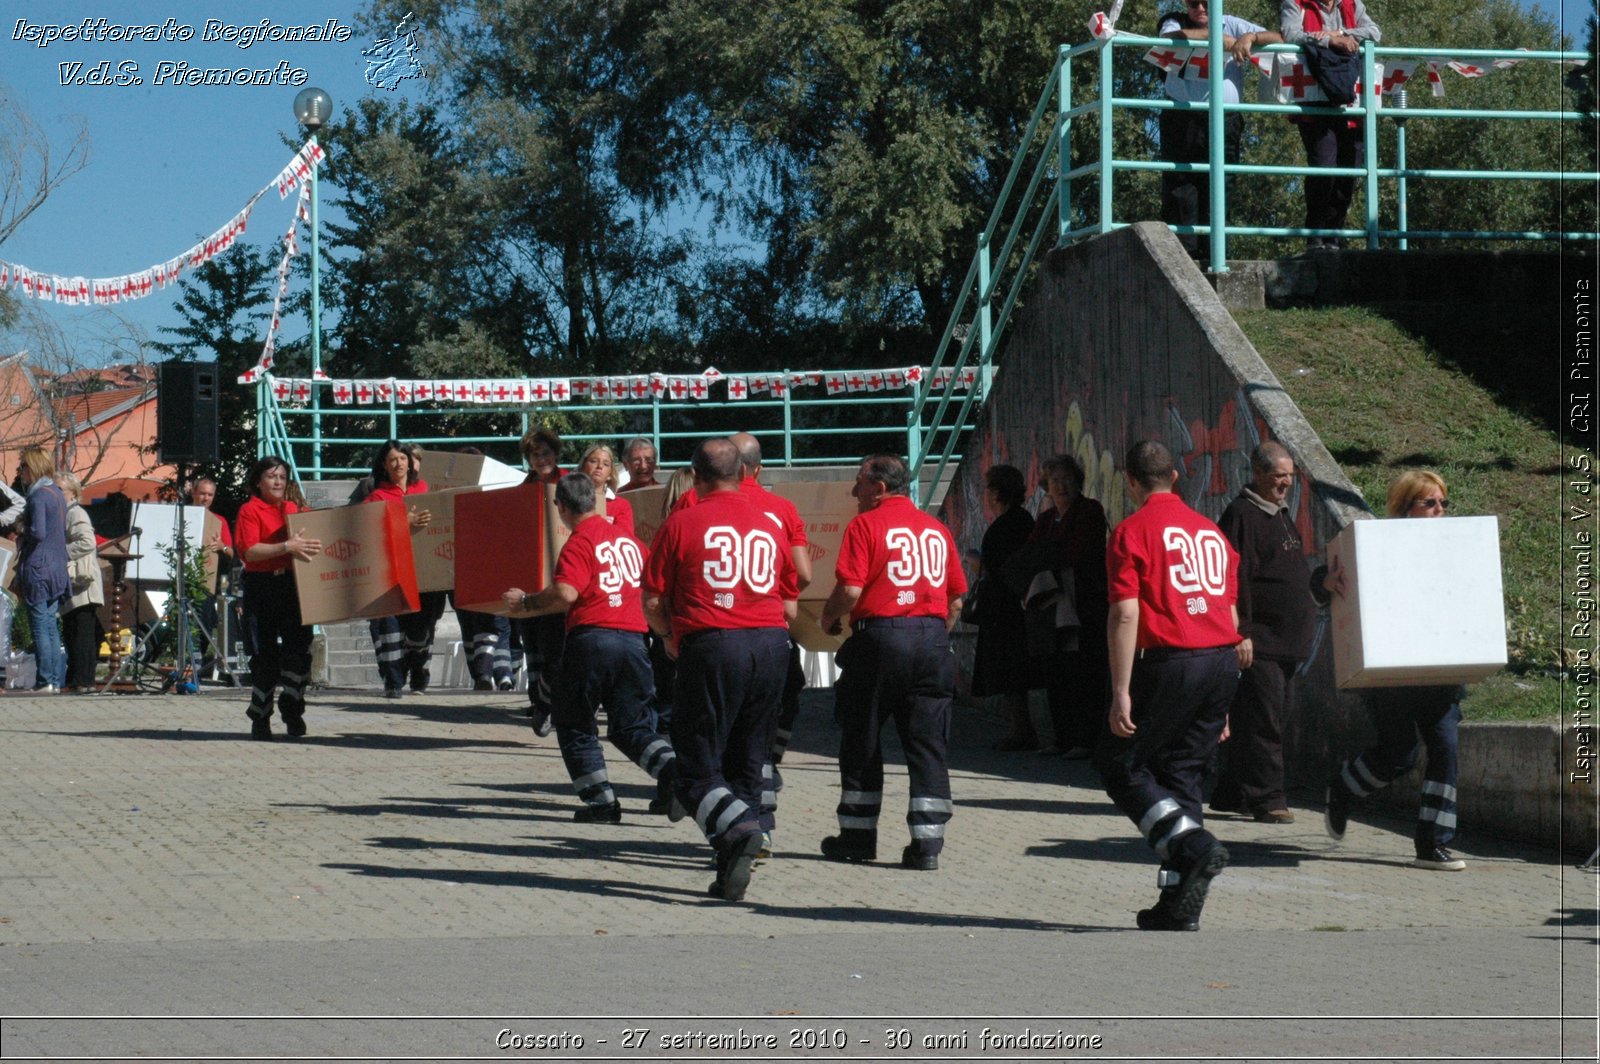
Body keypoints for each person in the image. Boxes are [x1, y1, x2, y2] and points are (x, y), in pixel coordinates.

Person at [1099, 440, 1246, 931]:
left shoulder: (1131, 531)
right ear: (1176, 477)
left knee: (1122, 764)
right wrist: (1219, 702)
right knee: (1182, 773)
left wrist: (1121, 690)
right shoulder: (1211, 533)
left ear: (1131, 481)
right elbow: (1227, 608)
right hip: (1221, 659)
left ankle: (1191, 847)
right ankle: (1179, 904)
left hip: (1170, 659)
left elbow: (1124, 612)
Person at [642, 438, 795, 902]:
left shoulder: (682, 521)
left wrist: (669, 638)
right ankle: (734, 857)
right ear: (744, 472)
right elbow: (791, 588)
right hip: (771, 645)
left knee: (694, 767)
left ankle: (739, 830)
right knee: (749, 758)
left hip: (713, 644)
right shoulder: (769, 521)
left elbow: (651, 599)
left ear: (695, 475)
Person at [818, 454, 966, 871]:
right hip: (933, 640)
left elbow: (849, 589)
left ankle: (858, 836)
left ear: (880, 488)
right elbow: (955, 598)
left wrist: (828, 619)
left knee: (862, 736)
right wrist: (935, 636)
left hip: (880, 639)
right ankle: (928, 844)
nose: (854, 492)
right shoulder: (936, 530)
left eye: (859, 484)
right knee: (927, 744)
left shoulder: (865, 525)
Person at [502, 473, 677, 822]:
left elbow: (567, 592)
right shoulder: (631, 542)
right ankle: (675, 775)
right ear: (595, 502)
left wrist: (526, 603)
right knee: (633, 726)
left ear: (561, 508)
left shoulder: (579, 542)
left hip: (592, 639)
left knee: (575, 723)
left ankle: (601, 803)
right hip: (634, 640)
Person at [1322, 470, 1468, 871]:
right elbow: (1328, 575)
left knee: (1446, 748)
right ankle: (1345, 786)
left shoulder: (1456, 546)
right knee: (1399, 754)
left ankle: (1432, 843)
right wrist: (1325, 581)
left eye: (1443, 503)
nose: (1440, 511)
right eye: (1430, 503)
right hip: (1392, 675)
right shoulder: (1376, 544)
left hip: (1439, 671)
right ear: (1405, 508)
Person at [1210, 441, 1317, 824]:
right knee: (1265, 721)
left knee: (1269, 717)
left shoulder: (1281, 515)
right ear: (1258, 473)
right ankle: (1268, 798)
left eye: (1290, 475)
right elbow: (1232, 580)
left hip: (1287, 642)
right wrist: (1241, 632)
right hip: (1262, 641)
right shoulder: (1242, 515)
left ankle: (1232, 792)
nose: (1286, 482)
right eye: (1279, 475)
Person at [726, 432, 811, 827]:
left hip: (716, 630)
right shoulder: (781, 509)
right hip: (771, 626)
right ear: (758, 468)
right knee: (777, 701)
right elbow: (803, 573)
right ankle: (767, 774)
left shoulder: (696, 502)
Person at [1158, 0, 1283, 258]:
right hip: (1183, 117)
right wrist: (1218, 38)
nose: (1201, 8)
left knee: (1222, 185)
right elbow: (1169, 38)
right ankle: (1184, 257)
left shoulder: (1234, 24)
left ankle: (1215, 253)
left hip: (1227, 120)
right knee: (1182, 186)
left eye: (1207, 2)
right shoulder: (1174, 21)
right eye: (1194, 3)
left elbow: (1279, 38)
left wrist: (1250, 37)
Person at [1024, 455, 1110, 758]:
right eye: (1054, 481)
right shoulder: (1046, 519)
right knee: (1056, 672)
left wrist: (1048, 555)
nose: (1060, 486)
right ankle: (1061, 738)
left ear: (1077, 482)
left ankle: (1084, 740)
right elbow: (1032, 552)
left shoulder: (1089, 510)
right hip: (1051, 608)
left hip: (1082, 605)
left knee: (1083, 673)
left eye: (1066, 480)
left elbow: (1079, 552)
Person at [1281, 0, 1381, 249]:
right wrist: (1330, 41)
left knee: (1350, 171)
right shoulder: (1295, 4)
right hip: (1314, 101)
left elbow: (1374, 32)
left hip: (1350, 101)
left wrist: (1342, 33)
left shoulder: (1352, 4)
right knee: (1324, 169)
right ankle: (1315, 237)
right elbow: (1291, 34)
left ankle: (1333, 237)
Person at [235, 456, 322, 739]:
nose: (277, 482)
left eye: (282, 477)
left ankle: (292, 708)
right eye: (271, 477)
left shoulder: (295, 509)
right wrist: (286, 546)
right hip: (261, 588)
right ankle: (260, 718)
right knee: (264, 659)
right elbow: (249, 551)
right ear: (258, 481)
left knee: (300, 653)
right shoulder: (250, 510)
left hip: (293, 586)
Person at [362, 440, 438, 698]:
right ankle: (393, 683)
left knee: (420, 632)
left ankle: (418, 676)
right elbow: (366, 532)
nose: (398, 463)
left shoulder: (424, 490)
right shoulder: (376, 497)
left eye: (402, 458)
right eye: (392, 459)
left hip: (422, 575)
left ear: (410, 462)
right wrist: (403, 521)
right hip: (388, 577)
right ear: (384, 464)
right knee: (390, 633)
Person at [969, 465, 1037, 750]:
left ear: (997, 492)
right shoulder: (1021, 520)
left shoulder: (1008, 524)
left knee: (1011, 672)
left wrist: (977, 563)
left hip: (1006, 608)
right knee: (1012, 671)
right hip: (1014, 606)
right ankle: (1020, 729)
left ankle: (1021, 731)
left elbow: (999, 567)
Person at [520, 426, 567, 735]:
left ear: (556, 454)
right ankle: (539, 701)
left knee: (556, 649)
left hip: (561, 578)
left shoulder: (569, 484)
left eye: (546, 453)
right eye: (535, 455)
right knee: (533, 646)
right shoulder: (524, 486)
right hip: (529, 578)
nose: (541, 459)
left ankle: (548, 703)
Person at [16, 446, 70, 694]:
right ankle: (55, 681)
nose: (20, 472)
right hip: (57, 568)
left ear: (34, 467)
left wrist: (20, 528)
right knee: (49, 625)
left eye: (23, 467)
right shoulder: (57, 493)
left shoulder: (38, 496)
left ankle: (45, 680)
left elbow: (37, 531)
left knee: (40, 626)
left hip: (39, 568)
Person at [57, 475, 103, 693]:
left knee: (81, 632)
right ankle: (79, 680)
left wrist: (60, 553)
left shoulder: (75, 513)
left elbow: (87, 542)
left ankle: (82, 681)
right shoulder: (67, 513)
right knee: (75, 631)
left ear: (73, 493)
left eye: (60, 490)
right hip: (77, 583)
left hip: (82, 583)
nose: (56, 494)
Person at [578, 443, 634, 535]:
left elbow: (625, 538)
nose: (599, 466)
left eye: (606, 464)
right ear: (583, 467)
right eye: (593, 461)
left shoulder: (621, 506)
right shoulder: (570, 500)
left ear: (610, 474)